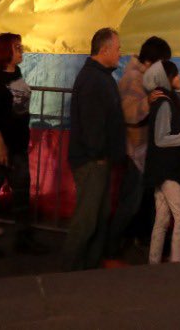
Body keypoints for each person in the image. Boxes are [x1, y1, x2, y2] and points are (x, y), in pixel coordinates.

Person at [0, 33, 45, 257]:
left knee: (21, 192)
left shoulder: (17, 73)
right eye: (16, 46)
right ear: (6, 52)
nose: (21, 49)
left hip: (17, 145)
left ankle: (24, 238)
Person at [62, 27, 126, 271]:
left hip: (98, 160)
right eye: (118, 48)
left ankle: (88, 268)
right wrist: (99, 154)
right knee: (87, 220)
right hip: (92, 162)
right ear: (105, 49)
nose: (121, 52)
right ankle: (70, 271)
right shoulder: (94, 79)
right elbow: (92, 124)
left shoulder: (99, 77)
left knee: (98, 217)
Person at [107, 35, 172, 261]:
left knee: (139, 201)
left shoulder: (142, 77)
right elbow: (129, 113)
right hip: (136, 151)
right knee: (130, 203)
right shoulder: (133, 79)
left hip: (142, 151)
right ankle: (111, 249)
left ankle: (131, 242)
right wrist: (149, 101)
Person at [143, 59, 180, 264]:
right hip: (167, 170)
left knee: (162, 220)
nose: (179, 78)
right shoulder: (165, 103)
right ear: (168, 78)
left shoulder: (160, 101)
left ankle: (154, 262)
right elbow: (161, 139)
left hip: (159, 169)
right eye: (176, 74)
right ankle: (176, 264)